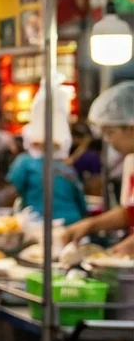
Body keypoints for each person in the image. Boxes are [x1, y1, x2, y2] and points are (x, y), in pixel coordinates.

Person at [62, 82, 134, 256]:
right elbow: (131, 213)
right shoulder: (131, 161)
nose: (108, 141)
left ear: (130, 126)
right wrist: (90, 225)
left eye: (110, 132)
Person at [6, 140, 88, 224]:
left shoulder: (25, 162)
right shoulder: (67, 169)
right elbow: (82, 205)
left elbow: (11, 193)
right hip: (71, 222)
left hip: (39, 223)